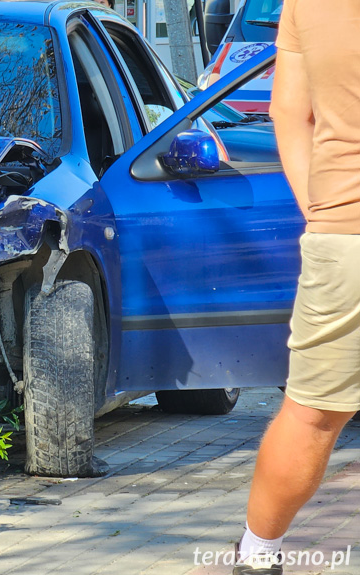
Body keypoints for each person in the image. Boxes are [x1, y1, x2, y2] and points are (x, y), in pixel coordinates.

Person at [235, 1, 360, 574]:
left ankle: (257, 558)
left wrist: (324, 210)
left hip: (346, 232)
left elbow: (289, 111)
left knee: (310, 414)